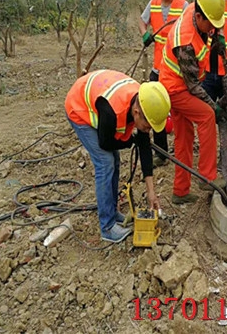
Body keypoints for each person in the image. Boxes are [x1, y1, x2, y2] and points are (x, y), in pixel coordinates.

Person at [65, 70, 170, 243]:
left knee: (115, 160)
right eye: (148, 125)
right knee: (106, 162)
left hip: (98, 95)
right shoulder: (112, 111)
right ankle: (107, 227)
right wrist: (130, 141)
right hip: (79, 106)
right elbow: (105, 143)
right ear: (136, 113)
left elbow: (144, 149)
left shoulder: (144, 102)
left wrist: (151, 193)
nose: (148, 129)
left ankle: (112, 212)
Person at [159, 0, 226, 204]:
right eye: (210, 25)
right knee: (207, 116)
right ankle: (207, 176)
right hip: (175, 88)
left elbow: (209, 31)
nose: (212, 28)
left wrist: (216, 37)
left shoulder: (196, 8)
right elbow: (194, 87)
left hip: (178, 82)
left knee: (184, 137)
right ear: (198, 16)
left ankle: (180, 191)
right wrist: (213, 106)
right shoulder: (185, 42)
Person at [138, 0, 188, 167]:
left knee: (179, 111)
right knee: (154, 109)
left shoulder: (184, 6)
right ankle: (161, 154)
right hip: (158, 68)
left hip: (177, 71)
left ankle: (183, 150)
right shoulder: (154, 3)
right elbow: (142, 21)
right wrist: (145, 34)